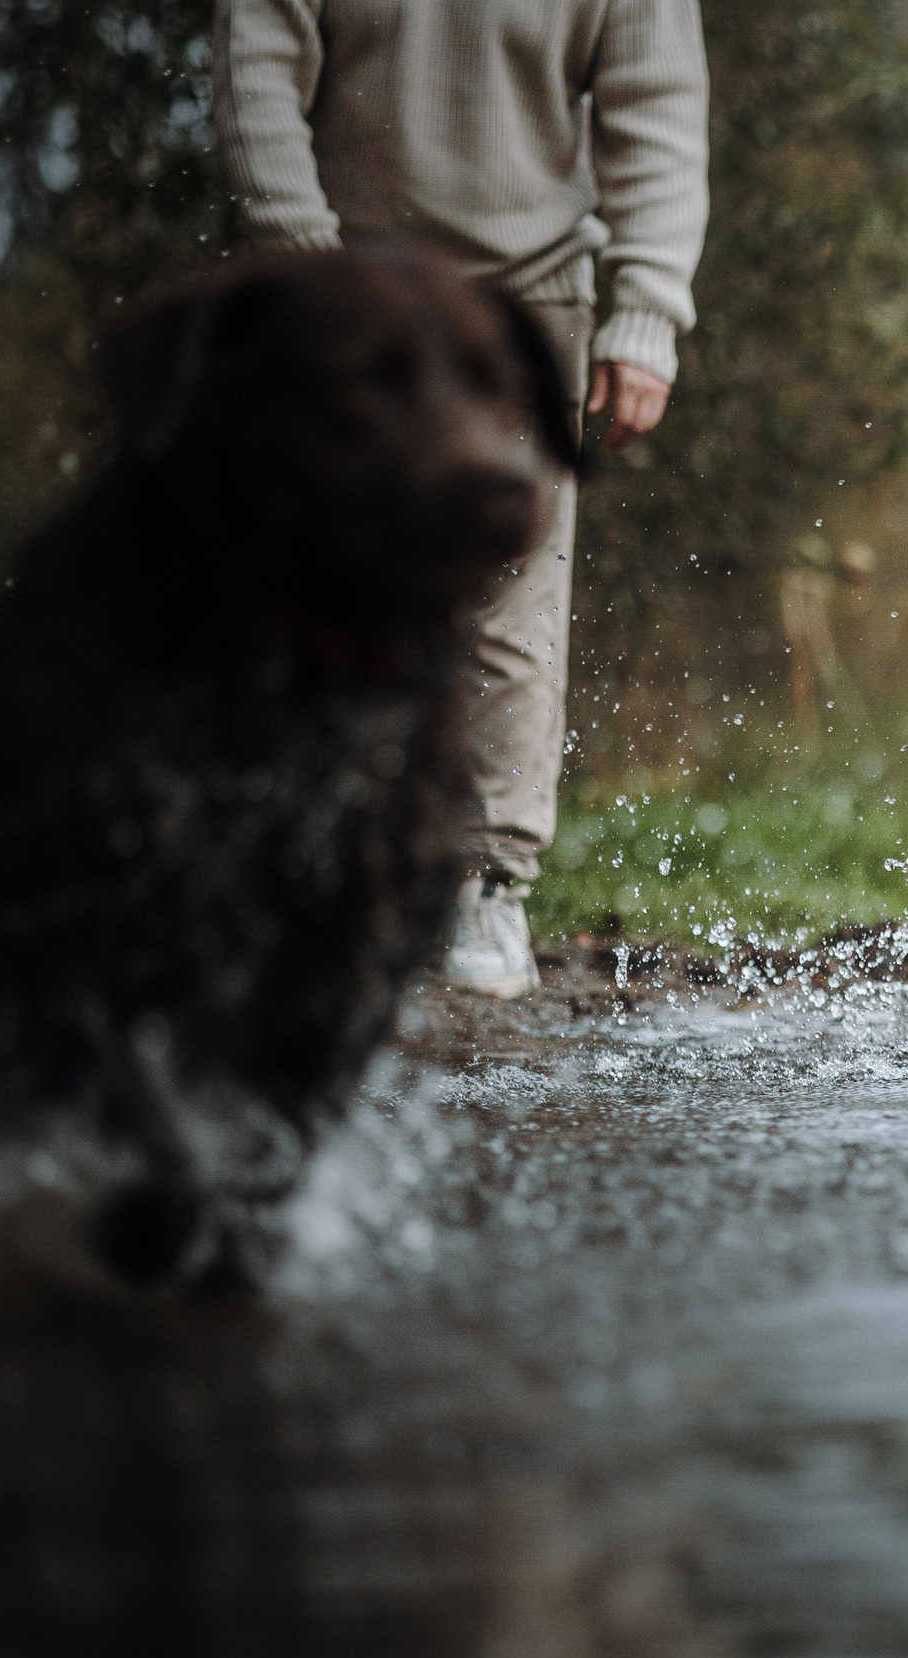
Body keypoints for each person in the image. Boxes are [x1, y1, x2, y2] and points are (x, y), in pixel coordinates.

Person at [213, 0, 710, 997]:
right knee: (312, 575)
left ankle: (484, 884)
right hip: (346, 288)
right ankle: (306, 868)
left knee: (513, 596)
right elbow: (255, 65)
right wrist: (302, 263)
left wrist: (648, 309)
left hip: (530, 299)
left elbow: (657, 107)